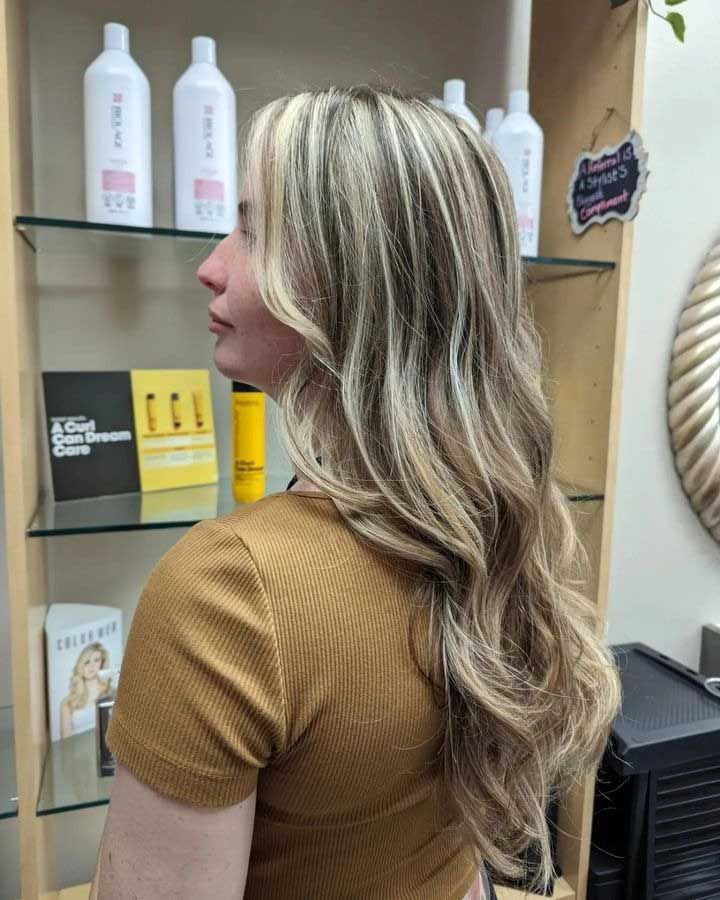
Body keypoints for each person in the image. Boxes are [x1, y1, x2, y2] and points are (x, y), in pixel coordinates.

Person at [91, 85, 622, 899]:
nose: (210, 266)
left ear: (349, 279)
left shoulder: (228, 595)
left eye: (252, 230)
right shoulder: (487, 525)